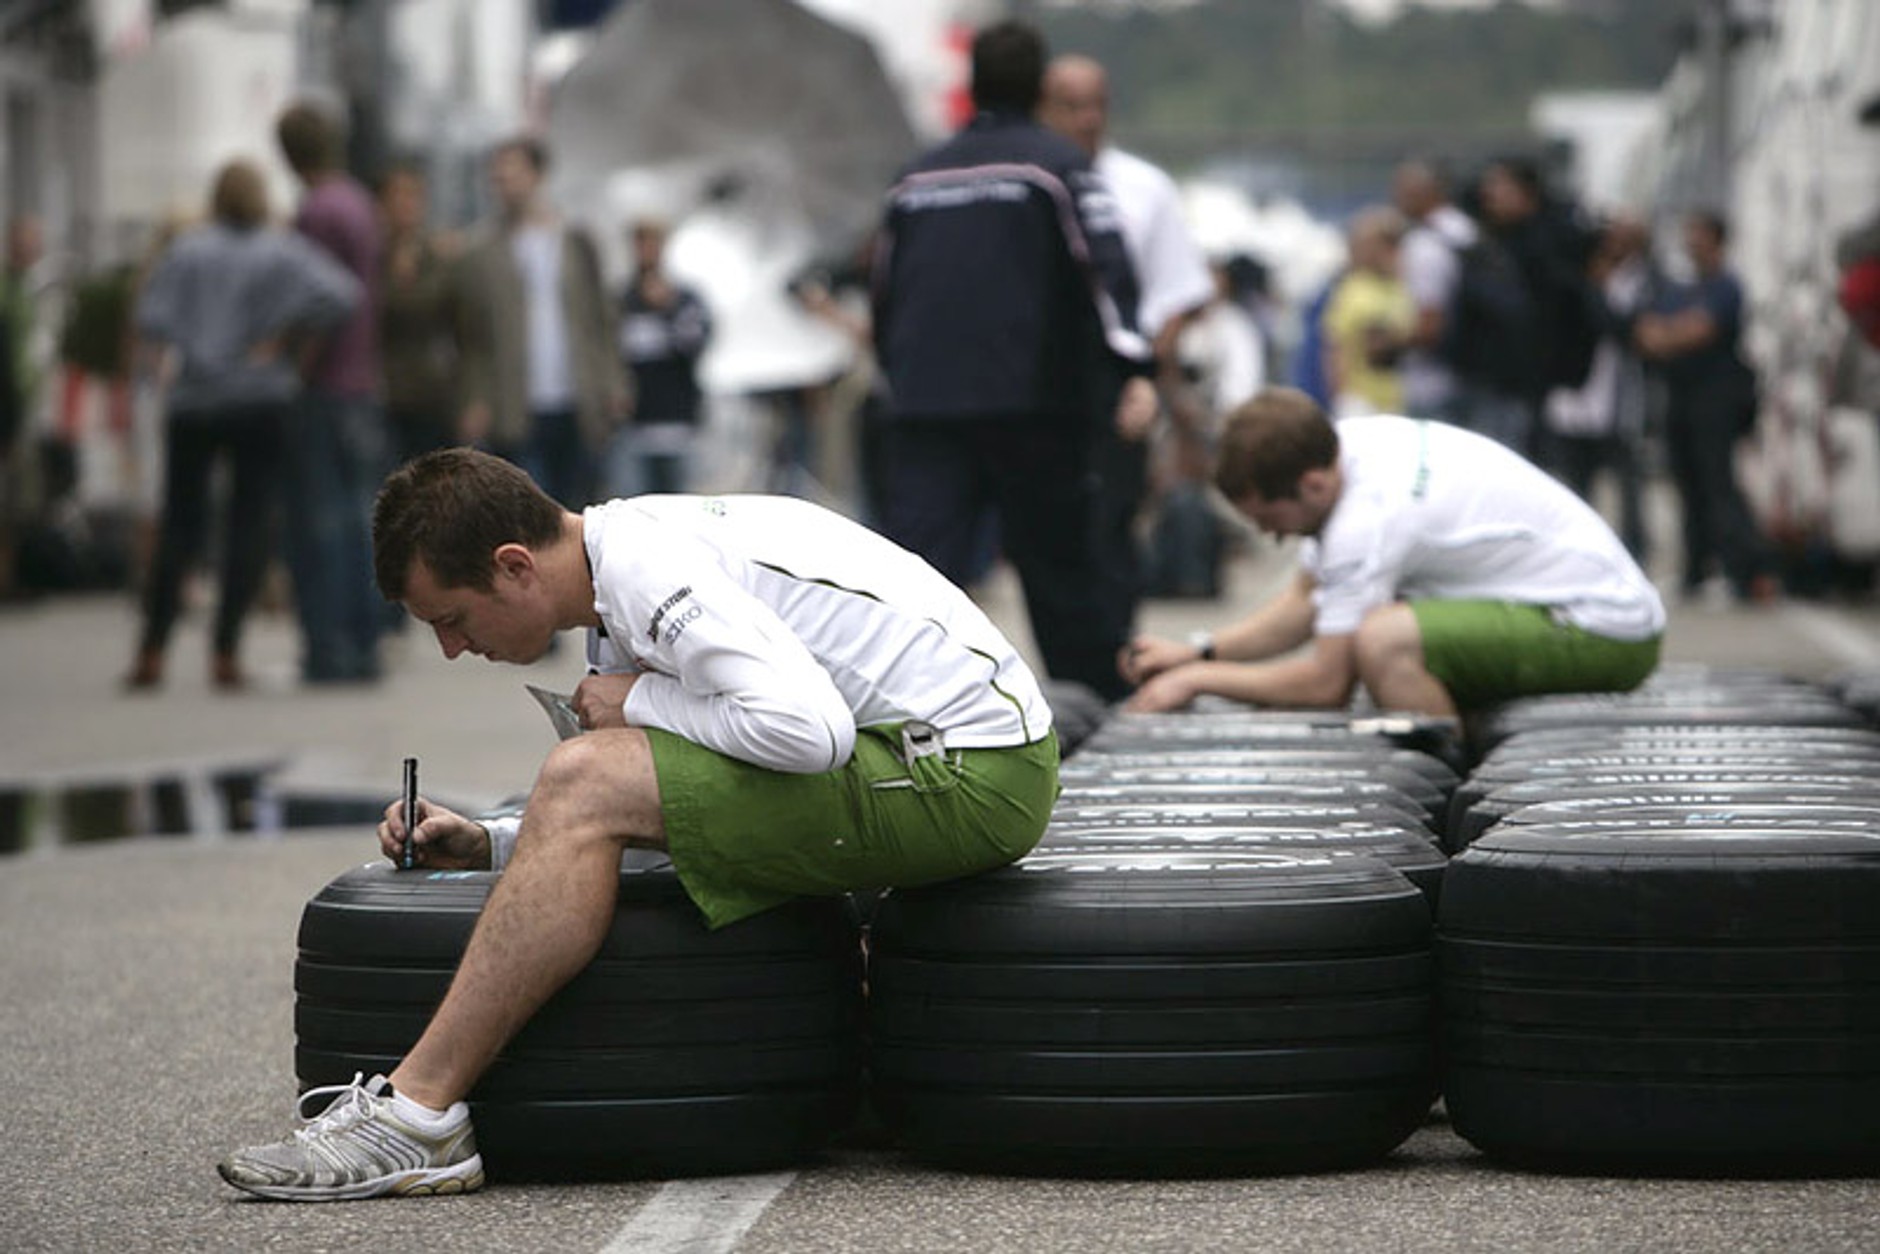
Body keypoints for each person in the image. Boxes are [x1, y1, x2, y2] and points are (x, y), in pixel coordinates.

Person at [216, 447, 1059, 1200]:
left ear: (514, 566)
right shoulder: (613, 575)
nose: (450, 648)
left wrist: (643, 701)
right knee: (589, 780)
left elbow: (811, 733)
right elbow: (678, 785)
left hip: (976, 773)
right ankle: (421, 1106)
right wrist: (497, 842)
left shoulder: (651, 575)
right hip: (930, 757)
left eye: (452, 619)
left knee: (586, 773)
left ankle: (419, 1115)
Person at [870, 20, 1156, 701]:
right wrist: (1132, 370)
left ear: (971, 84)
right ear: (1038, 86)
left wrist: (901, 377)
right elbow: (1106, 275)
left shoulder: (914, 178)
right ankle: (1094, 716)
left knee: (921, 583)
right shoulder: (1055, 167)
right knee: (1063, 579)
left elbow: (884, 292)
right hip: (1036, 411)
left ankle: (911, 715)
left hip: (926, 409)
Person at [1119, 388, 1664, 719]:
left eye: (1269, 519)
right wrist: (1198, 652)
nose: (1273, 536)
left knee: (1383, 641)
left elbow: (1325, 684)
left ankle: (1454, 796)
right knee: (1381, 629)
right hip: (1570, 608)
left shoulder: (1367, 518)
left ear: (1310, 485)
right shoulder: (1345, 445)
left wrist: (1197, 682)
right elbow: (1306, 602)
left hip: (1607, 630)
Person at [123, 161, 360, 690]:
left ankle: (153, 648)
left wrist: (169, 352)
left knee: (180, 523)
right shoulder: (281, 251)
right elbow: (343, 293)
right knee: (248, 524)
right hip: (260, 397)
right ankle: (225, 650)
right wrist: (284, 335)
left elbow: (151, 317)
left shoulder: (187, 251)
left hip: (195, 398)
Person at [1041, 52, 1214, 644]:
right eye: (1071, 105)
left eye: (1097, 105)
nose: (1087, 119)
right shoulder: (1024, 179)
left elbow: (1179, 296)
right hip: (1037, 393)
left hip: (1118, 390)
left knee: (1112, 529)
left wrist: (1142, 378)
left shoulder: (1142, 188)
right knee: (1048, 539)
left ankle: (1116, 658)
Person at [449, 135, 630, 510]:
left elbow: (601, 319)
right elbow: (472, 337)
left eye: (512, 174)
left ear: (536, 175)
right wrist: (475, 398)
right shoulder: (481, 251)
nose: (504, 186)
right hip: (514, 404)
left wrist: (613, 382)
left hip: (576, 397)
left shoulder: (576, 240)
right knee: (529, 511)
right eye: (497, 178)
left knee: (578, 507)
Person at [277, 100, 391, 684]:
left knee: (321, 522)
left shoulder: (316, 212)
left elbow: (315, 299)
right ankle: (366, 640)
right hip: (362, 380)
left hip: (326, 386)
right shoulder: (359, 203)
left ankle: (331, 647)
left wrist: (294, 364)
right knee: (359, 517)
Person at [1634, 210, 1778, 605]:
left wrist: (1671, 334)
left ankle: (1750, 570)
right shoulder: (1680, 289)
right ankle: (1697, 570)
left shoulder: (1726, 286)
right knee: (1687, 485)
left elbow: (1700, 331)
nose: (1690, 241)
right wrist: (1672, 333)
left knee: (1719, 486)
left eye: (1698, 234)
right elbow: (1647, 332)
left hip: (1717, 398)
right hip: (1681, 397)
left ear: (1717, 240)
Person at [1542, 213, 1654, 562]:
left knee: (1628, 483)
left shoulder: (1642, 282)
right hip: (1578, 399)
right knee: (1577, 482)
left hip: (1621, 401)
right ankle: (1581, 549)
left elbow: (1629, 331)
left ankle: (1634, 549)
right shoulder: (1577, 284)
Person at [605, 217, 712, 497]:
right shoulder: (620, 301)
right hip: (633, 426)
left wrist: (668, 309)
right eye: (641, 243)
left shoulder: (686, 299)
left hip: (678, 422)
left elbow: (698, 345)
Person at [377, 161, 460, 467]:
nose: (404, 205)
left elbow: (457, 319)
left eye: (412, 197)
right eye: (396, 197)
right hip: (384, 389)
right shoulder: (373, 256)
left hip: (432, 390)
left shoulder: (439, 256)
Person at [1390, 160, 1474, 423]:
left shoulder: (1425, 243)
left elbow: (1429, 322)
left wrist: (1388, 347)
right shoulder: (1466, 230)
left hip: (1432, 381)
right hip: (1474, 371)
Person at [1321, 206, 1414, 418]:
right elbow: (1334, 347)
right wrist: (1341, 397)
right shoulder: (1353, 289)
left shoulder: (1399, 290)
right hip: (1359, 400)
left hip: (1392, 398)